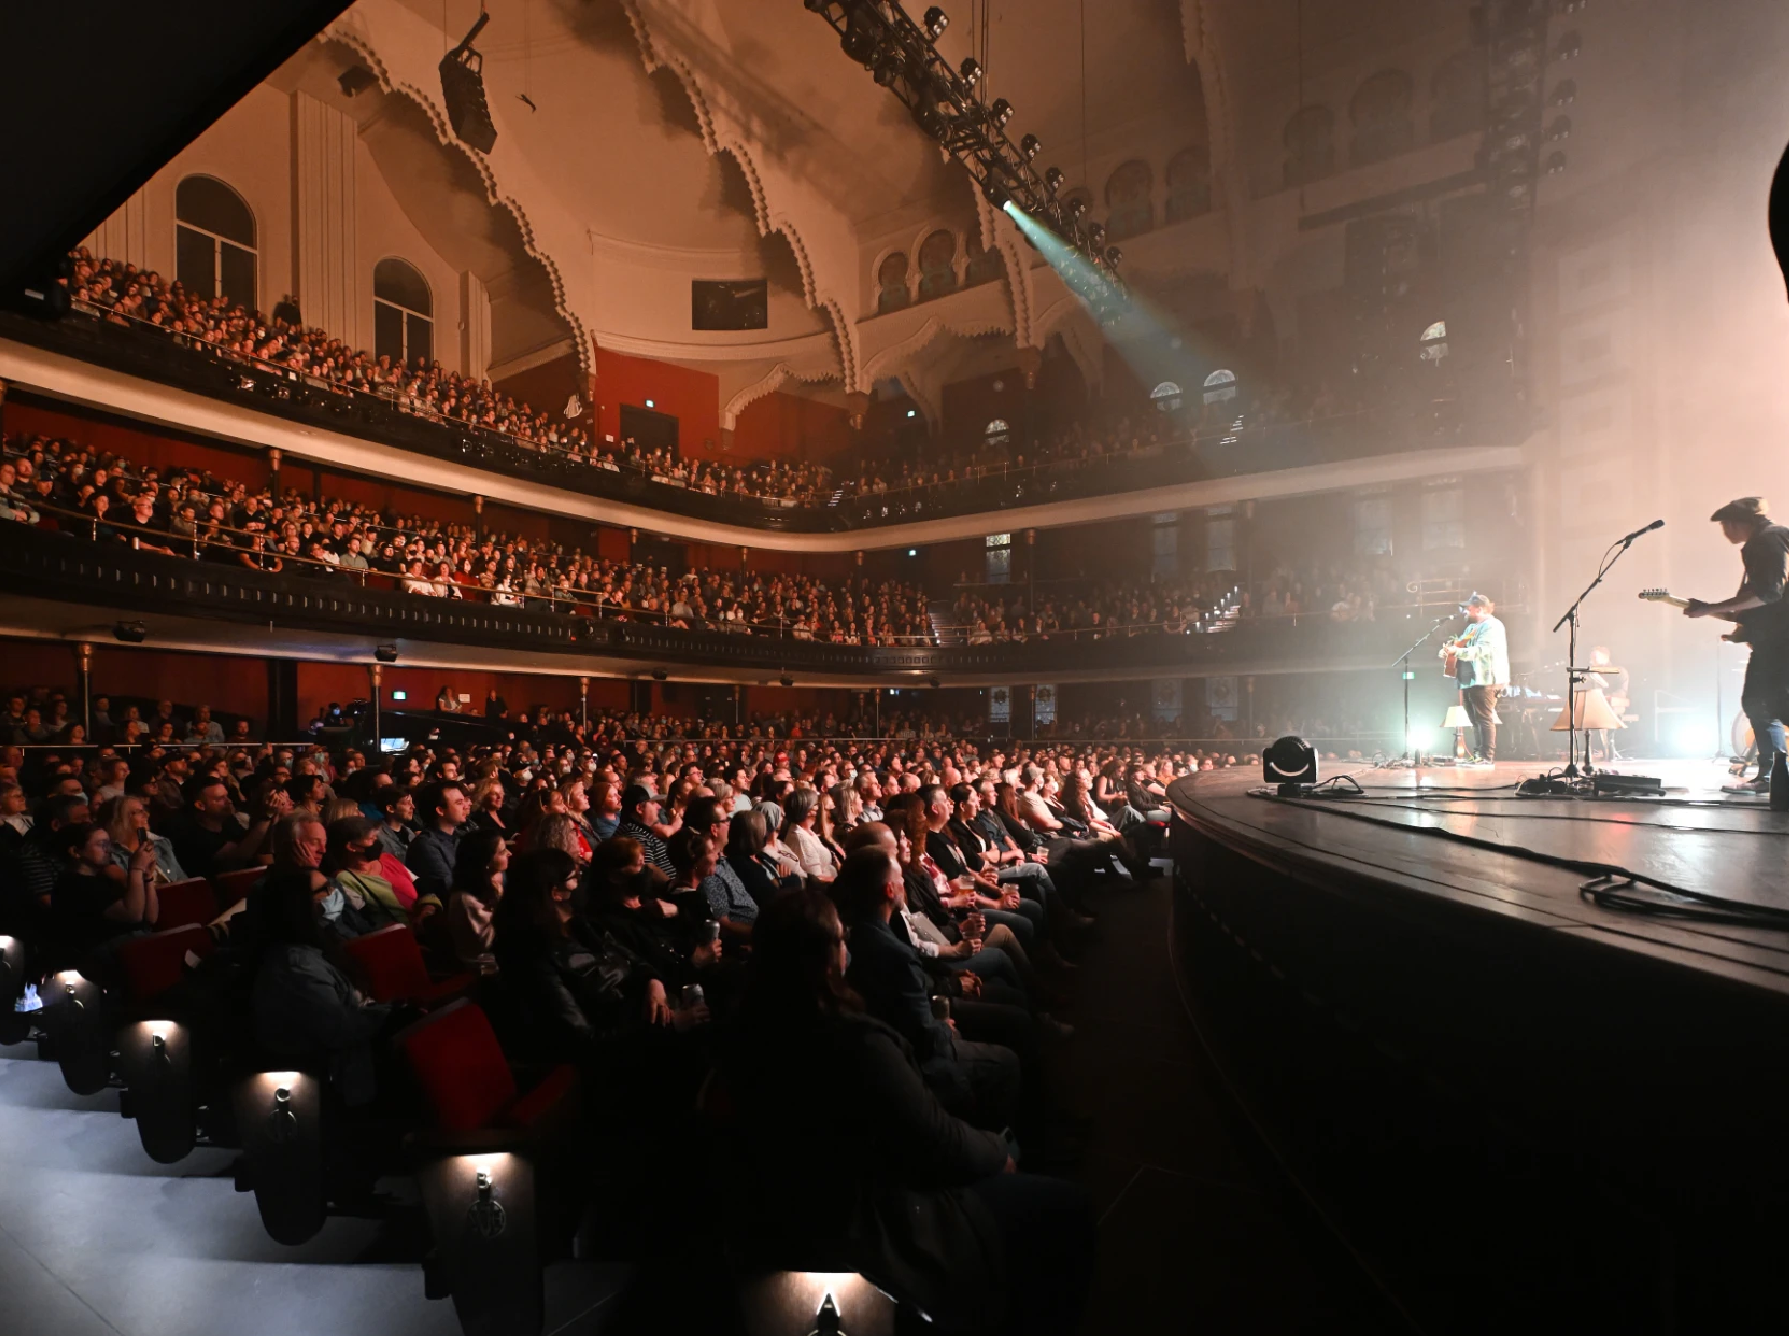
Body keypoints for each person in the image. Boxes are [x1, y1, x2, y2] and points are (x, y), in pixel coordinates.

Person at [723, 885, 1095, 1336]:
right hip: (874, 1224)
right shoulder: (851, 1042)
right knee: (1069, 1209)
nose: (848, 949)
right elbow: (933, 1137)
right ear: (825, 958)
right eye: (841, 941)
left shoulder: (744, 1031)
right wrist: (997, 1153)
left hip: (797, 1216)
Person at [833, 846, 1021, 1130]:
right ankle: (1006, 1145)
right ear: (888, 890)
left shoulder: (863, 930)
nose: (903, 884)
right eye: (898, 879)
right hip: (920, 1061)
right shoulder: (890, 950)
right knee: (1008, 1056)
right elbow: (925, 1037)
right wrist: (945, 1024)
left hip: (917, 1022)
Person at [250, 868, 393, 1107]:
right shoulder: (296, 966)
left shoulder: (320, 945)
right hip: (338, 1081)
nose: (333, 894)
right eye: (324, 890)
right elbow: (338, 1030)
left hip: (359, 1058)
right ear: (297, 906)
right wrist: (389, 1014)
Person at [1686, 497, 1789, 791]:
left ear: (1737, 523)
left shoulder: (1766, 541)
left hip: (1780, 643)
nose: (1724, 532)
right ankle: (1772, 777)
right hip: (1775, 639)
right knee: (1764, 704)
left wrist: (1708, 608)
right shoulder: (1775, 537)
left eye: (1724, 525)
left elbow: (1769, 593)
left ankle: (1772, 777)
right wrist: (1744, 630)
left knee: (1767, 704)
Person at [51, 821, 159, 973]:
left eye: (109, 844)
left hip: (132, 947)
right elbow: (132, 914)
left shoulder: (105, 878)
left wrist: (147, 876)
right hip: (107, 957)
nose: (108, 851)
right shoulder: (73, 884)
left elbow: (151, 917)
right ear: (76, 851)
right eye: (102, 845)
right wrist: (135, 868)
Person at [1447, 592, 1510, 765]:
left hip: (1487, 679)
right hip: (1471, 680)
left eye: (1469, 608)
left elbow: (1482, 650)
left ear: (1480, 609)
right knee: (1474, 719)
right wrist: (1448, 650)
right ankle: (1478, 754)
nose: (1465, 611)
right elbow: (1459, 644)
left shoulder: (1493, 626)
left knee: (1484, 718)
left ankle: (1486, 756)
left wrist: (1457, 652)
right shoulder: (1472, 628)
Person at [445, 829, 507, 972]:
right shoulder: (465, 899)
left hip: (500, 955)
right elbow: (489, 942)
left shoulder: (493, 884)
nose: (509, 854)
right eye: (502, 852)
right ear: (486, 860)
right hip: (485, 966)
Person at [406, 779, 469, 902]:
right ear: (440, 810)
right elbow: (448, 888)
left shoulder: (460, 838)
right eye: (459, 802)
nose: (466, 806)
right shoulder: (425, 845)